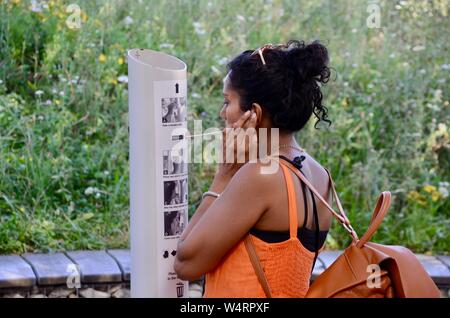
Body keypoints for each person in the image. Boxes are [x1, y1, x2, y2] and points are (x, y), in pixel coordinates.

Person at [174, 40, 334, 297]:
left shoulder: (261, 176)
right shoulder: (321, 175)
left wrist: (223, 177)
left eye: (227, 102)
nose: (222, 113)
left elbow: (186, 264)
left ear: (254, 113)